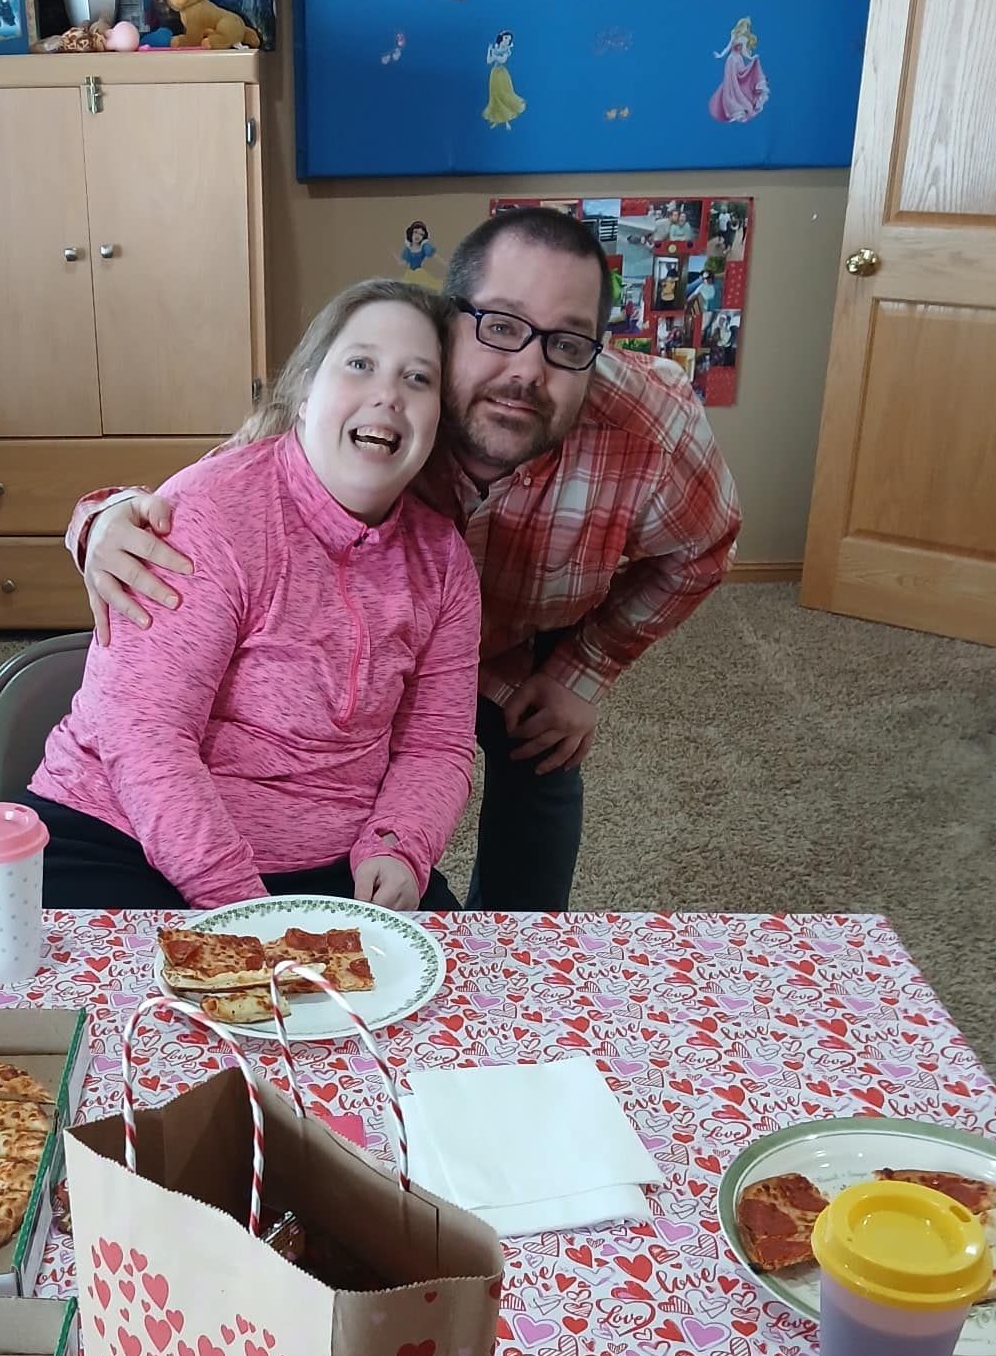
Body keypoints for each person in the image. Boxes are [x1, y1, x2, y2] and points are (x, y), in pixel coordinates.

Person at [71, 206, 741, 910]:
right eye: (502, 326)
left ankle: (522, 959)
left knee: (538, 786)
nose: (527, 370)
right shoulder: (389, 400)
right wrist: (102, 518)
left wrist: (586, 670)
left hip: (526, 642)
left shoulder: (651, 430)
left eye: (568, 343)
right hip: (376, 650)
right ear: (451, 327)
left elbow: (703, 553)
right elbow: (230, 489)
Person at [25, 280, 479, 912]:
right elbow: (145, 734)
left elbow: (438, 742)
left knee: (458, 1000)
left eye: (418, 379)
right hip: (119, 836)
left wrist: (401, 846)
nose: (387, 395)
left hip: (333, 868)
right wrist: (243, 911)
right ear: (303, 392)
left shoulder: (445, 560)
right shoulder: (211, 512)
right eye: (360, 364)